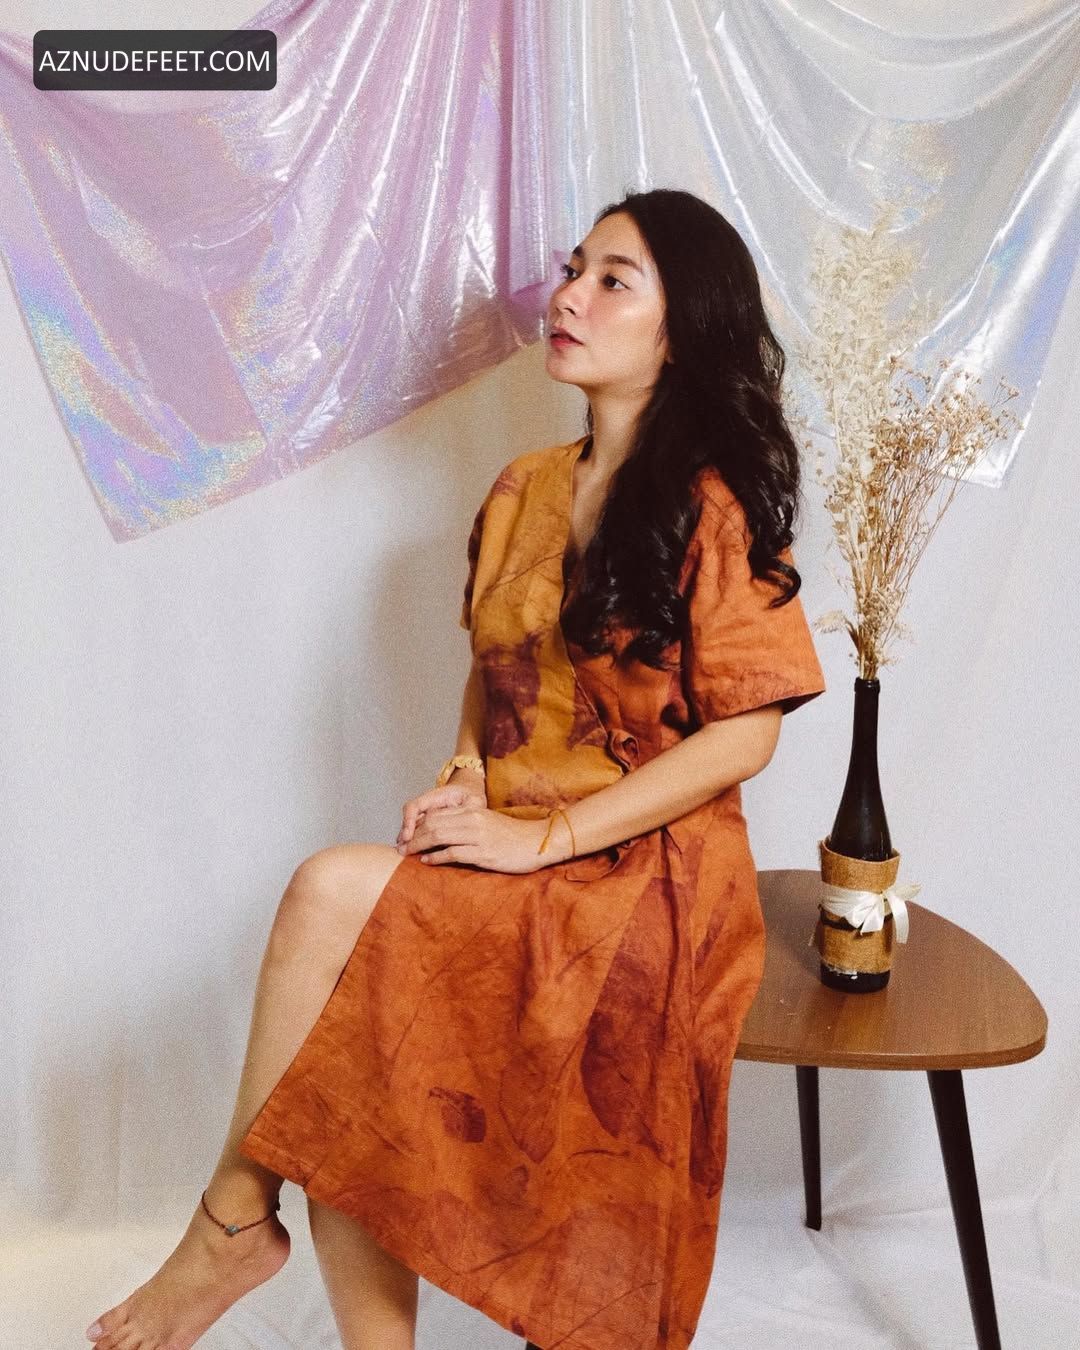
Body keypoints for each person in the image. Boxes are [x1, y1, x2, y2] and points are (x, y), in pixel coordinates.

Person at [86, 187, 826, 1350]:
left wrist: (544, 838)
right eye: (573, 269)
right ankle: (259, 1245)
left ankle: (230, 1222)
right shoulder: (523, 487)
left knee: (335, 911)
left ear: (683, 332)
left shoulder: (715, 509)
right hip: (516, 844)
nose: (571, 296)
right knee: (344, 1014)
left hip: (650, 880)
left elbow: (747, 735)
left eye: (614, 281)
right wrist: (472, 772)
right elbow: (499, 671)